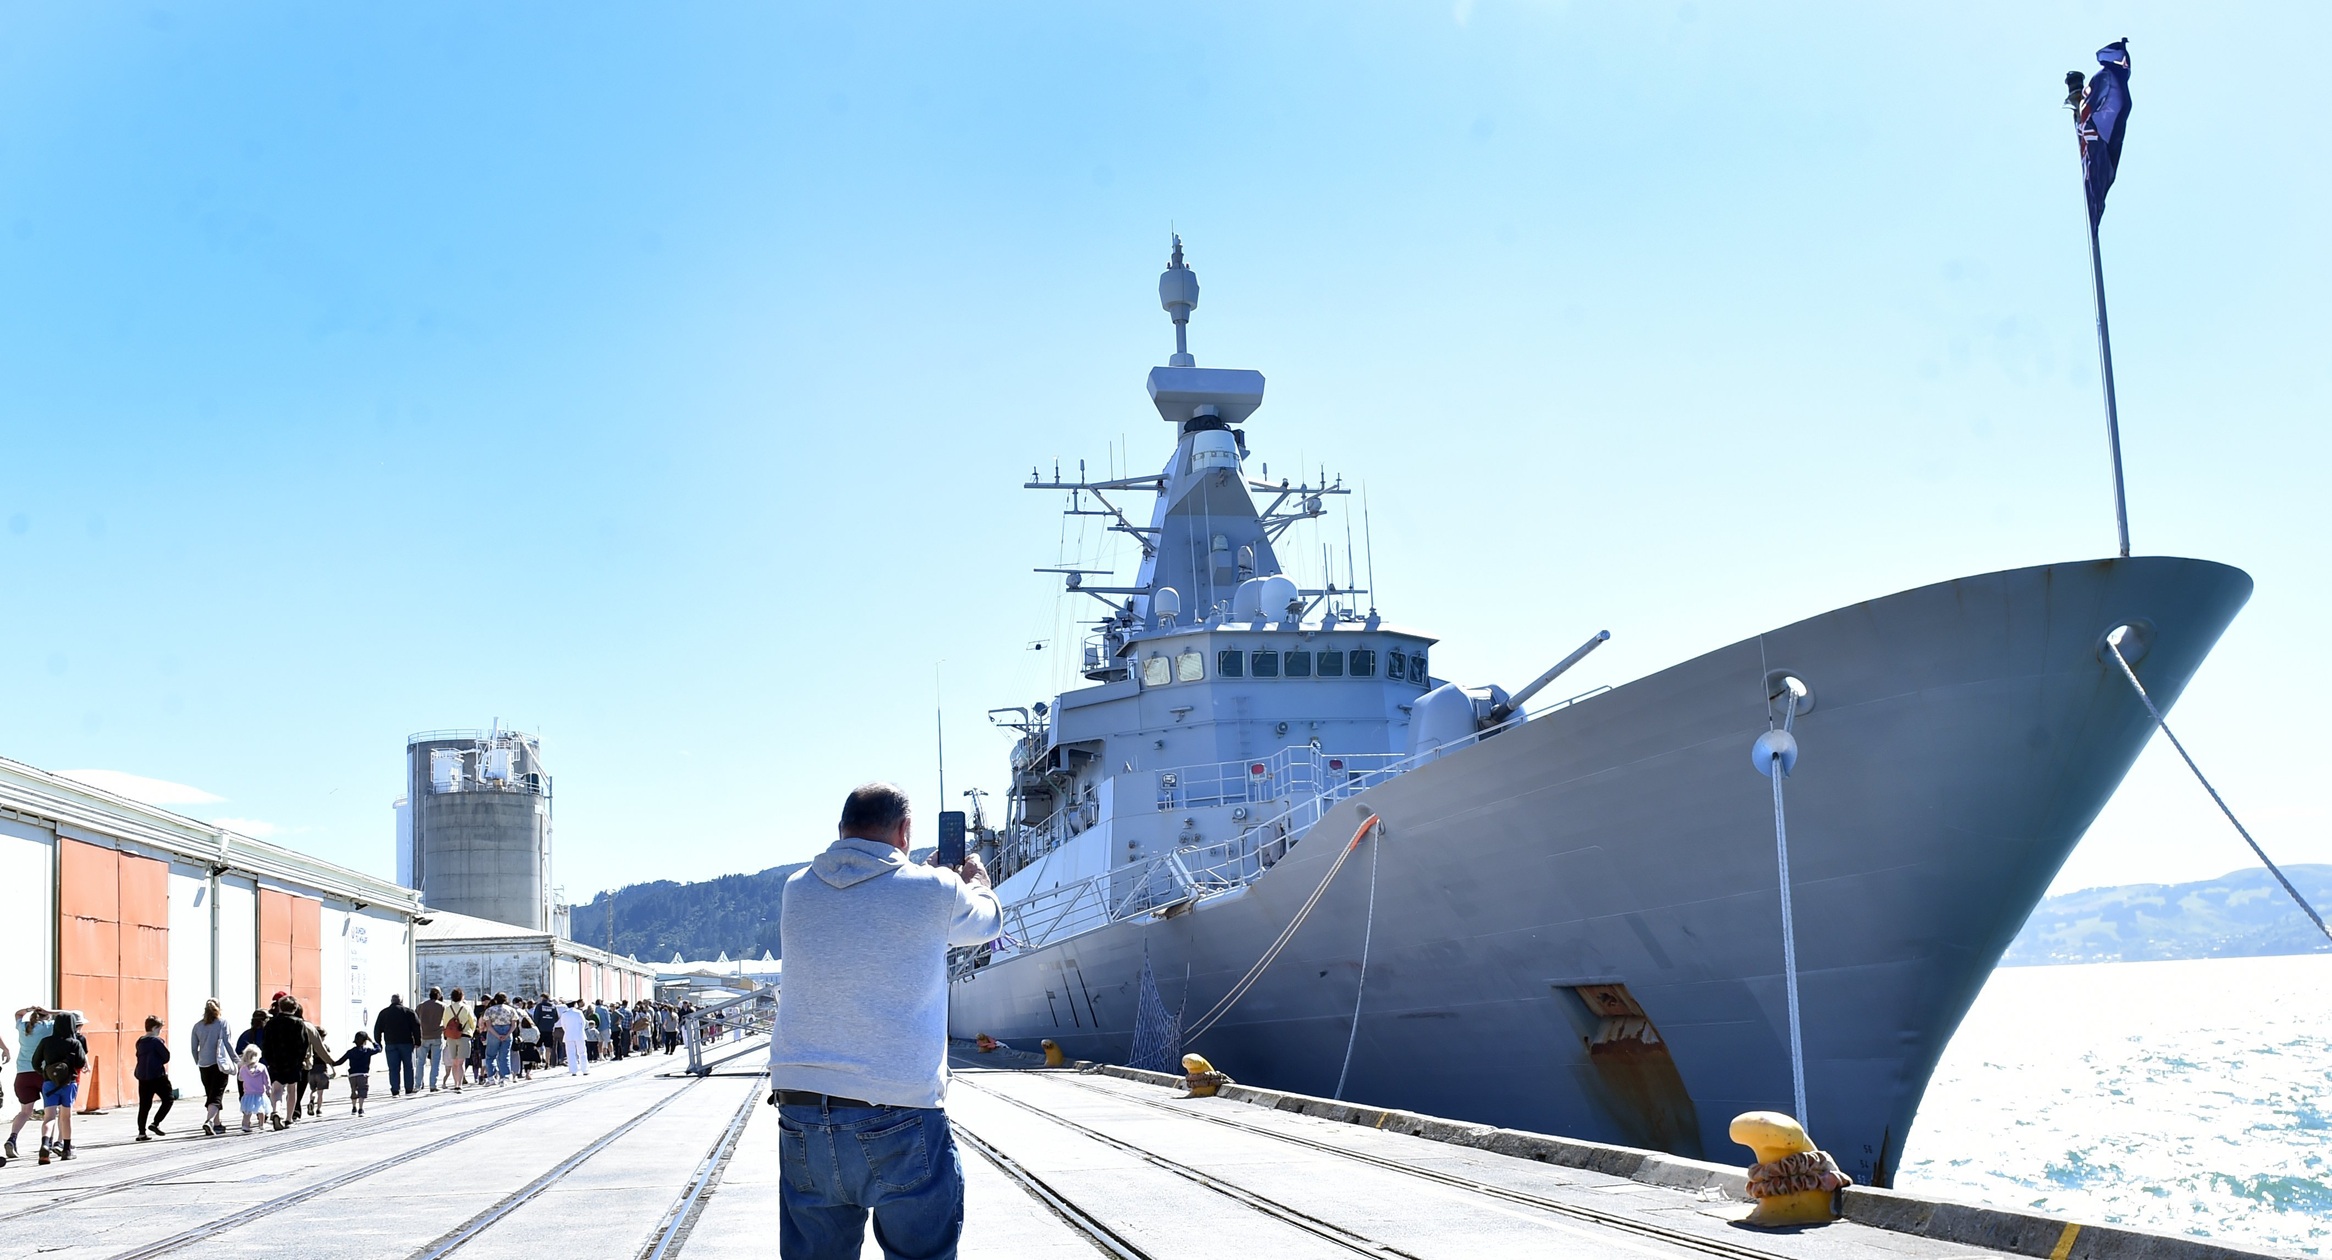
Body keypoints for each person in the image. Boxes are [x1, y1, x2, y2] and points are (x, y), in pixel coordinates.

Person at [767, 783, 1000, 1260]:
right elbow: (988, 922)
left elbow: (868, 911)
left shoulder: (796, 889)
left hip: (802, 1109)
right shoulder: (935, 889)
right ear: (904, 830)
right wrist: (974, 881)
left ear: (841, 829)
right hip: (899, 1109)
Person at [32, 1010, 89, 1164]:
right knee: (66, 1117)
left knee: (49, 1117)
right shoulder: (75, 1043)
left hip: (49, 1083)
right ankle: (67, 1149)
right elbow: (80, 1063)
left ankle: (45, 1145)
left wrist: (45, 1073)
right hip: (68, 1083)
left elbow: (35, 1062)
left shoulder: (46, 1041)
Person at [9, 1004, 54, 1161]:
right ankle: (47, 1144)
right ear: (47, 1015)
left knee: (25, 1112)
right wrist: (50, 1011)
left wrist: (29, 1009)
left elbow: (18, 1013)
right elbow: (71, 1016)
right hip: (43, 1073)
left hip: (23, 1074)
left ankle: (12, 1138)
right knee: (50, 1113)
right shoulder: (49, 1026)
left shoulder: (23, 1027)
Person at [261, 997, 310, 1129]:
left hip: (275, 1061)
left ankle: (276, 1111)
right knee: (292, 1089)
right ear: (295, 1008)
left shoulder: (271, 1023)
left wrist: (269, 1059)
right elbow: (303, 1044)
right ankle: (289, 1119)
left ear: (280, 1007)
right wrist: (300, 1060)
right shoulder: (298, 1023)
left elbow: (265, 1043)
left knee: (276, 1089)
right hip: (293, 1062)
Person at [191, 999, 238, 1136]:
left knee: (211, 1093)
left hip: (204, 1064)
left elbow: (194, 1048)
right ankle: (210, 1121)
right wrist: (237, 1060)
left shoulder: (197, 1026)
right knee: (217, 1094)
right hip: (219, 1063)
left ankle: (217, 1123)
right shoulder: (222, 1023)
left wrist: (198, 1060)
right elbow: (228, 1044)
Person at [134, 1015, 175, 1140]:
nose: (160, 1031)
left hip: (142, 1077)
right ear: (154, 1028)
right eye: (160, 1028)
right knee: (168, 1099)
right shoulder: (157, 1041)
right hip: (157, 1076)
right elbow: (166, 1057)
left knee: (144, 1105)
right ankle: (155, 1123)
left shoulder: (140, 1041)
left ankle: (141, 1133)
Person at [373, 994, 420, 1098]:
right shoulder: (409, 1012)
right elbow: (416, 1027)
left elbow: (377, 1029)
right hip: (406, 1043)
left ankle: (395, 1090)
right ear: (401, 1001)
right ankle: (409, 1089)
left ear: (391, 1001)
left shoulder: (384, 1013)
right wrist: (417, 1041)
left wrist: (378, 1043)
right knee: (408, 1066)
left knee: (393, 1068)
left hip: (390, 1043)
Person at [334, 1033, 378, 1116]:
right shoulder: (368, 1050)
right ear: (365, 1041)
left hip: (352, 1075)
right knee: (362, 1091)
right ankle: (360, 1109)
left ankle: (354, 1107)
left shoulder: (350, 1052)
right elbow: (378, 1049)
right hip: (363, 1074)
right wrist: (372, 1041)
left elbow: (340, 1061)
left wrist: (332, 1063)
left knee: (353, 1090)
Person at [442, 988, 475, 1092]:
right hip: (464, 1035)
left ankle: (455, 1083)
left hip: (451, 1036)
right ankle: (459, 1085)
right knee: (460, 1062)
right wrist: (471, 1032)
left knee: (454, 1062)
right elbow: (472, 1022)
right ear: (462, 997)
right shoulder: (467, 1008)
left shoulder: (448, 1008)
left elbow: (445, 1023)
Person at [415, 987, 447, 1092]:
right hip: (437, 1035)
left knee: (420, 1062)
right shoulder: (442, 1006)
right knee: (435, 1062)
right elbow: (446, 1020)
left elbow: (415, 1020)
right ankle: (433, 1085)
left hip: (423, 1036)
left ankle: (418, 1084)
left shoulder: (421, 1006)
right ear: (438, 995)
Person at [235, 1046, 269, 1133]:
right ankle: (262, 1124)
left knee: (247, 1110)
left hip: (248, 1093)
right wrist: (268, 1088)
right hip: (260, 1093)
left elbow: (240, 1078)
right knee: (261, 1109)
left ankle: (245, 1125)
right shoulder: (262, 1067)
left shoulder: (243, 1068)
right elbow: (266, 1079)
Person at [303, 1020, 333, 1117]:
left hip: (311, 1071)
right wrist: (333, 1069)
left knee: (313, 1090)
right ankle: (319, 1110)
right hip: (322, 1071)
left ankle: (311, 1100)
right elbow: (327, 1059)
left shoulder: (310, 1047)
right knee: (320, 1093)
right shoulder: (325, 1047)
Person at [555, 1002, 588, 1076]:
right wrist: (580, 1030)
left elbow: (563, 1025)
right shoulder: (578, 1012)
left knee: (570, 1053)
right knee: (582, 1052)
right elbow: (583, 1023)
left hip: (569, 1035)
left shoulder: (564, 1014)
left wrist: (567, 1031)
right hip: (579, 1034)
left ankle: (573, 1070)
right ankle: (585, 1069)